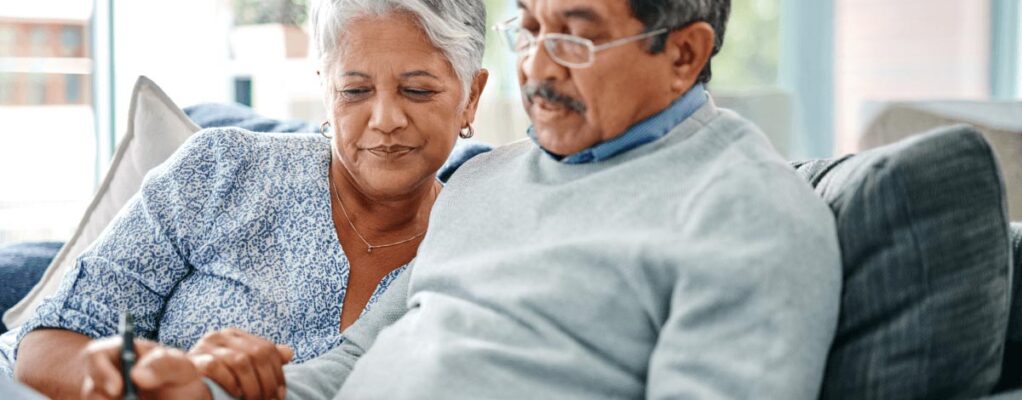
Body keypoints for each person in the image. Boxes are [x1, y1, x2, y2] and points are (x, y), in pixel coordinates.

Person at [81, 0, 844, 398]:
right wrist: (205, 389)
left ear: (684, 53)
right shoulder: (485, 179)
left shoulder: (748, 216)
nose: (537, 67)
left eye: (573, 39)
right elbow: (349, 366)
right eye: (529, 28)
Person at [6, 0, 489, 398]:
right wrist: (146, 376)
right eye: (355, 90)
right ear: (325, 88)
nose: (384, 119)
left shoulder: (479, 246)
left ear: (470, 97)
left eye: (417, 90)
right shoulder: (222, 168)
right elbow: (43, 344)